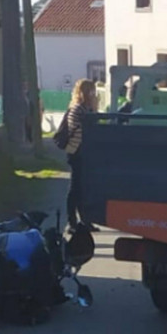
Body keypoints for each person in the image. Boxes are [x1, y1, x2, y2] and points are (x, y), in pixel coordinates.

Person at [64, 79, 99, 232]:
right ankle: (72, 222)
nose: (93, 94)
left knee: (83, 188)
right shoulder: (77, 109)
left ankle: (85, 220)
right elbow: (78, 129)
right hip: (76, 152)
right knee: (75, 188)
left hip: (84, 153)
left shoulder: (86, 108)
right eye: (90, 91)